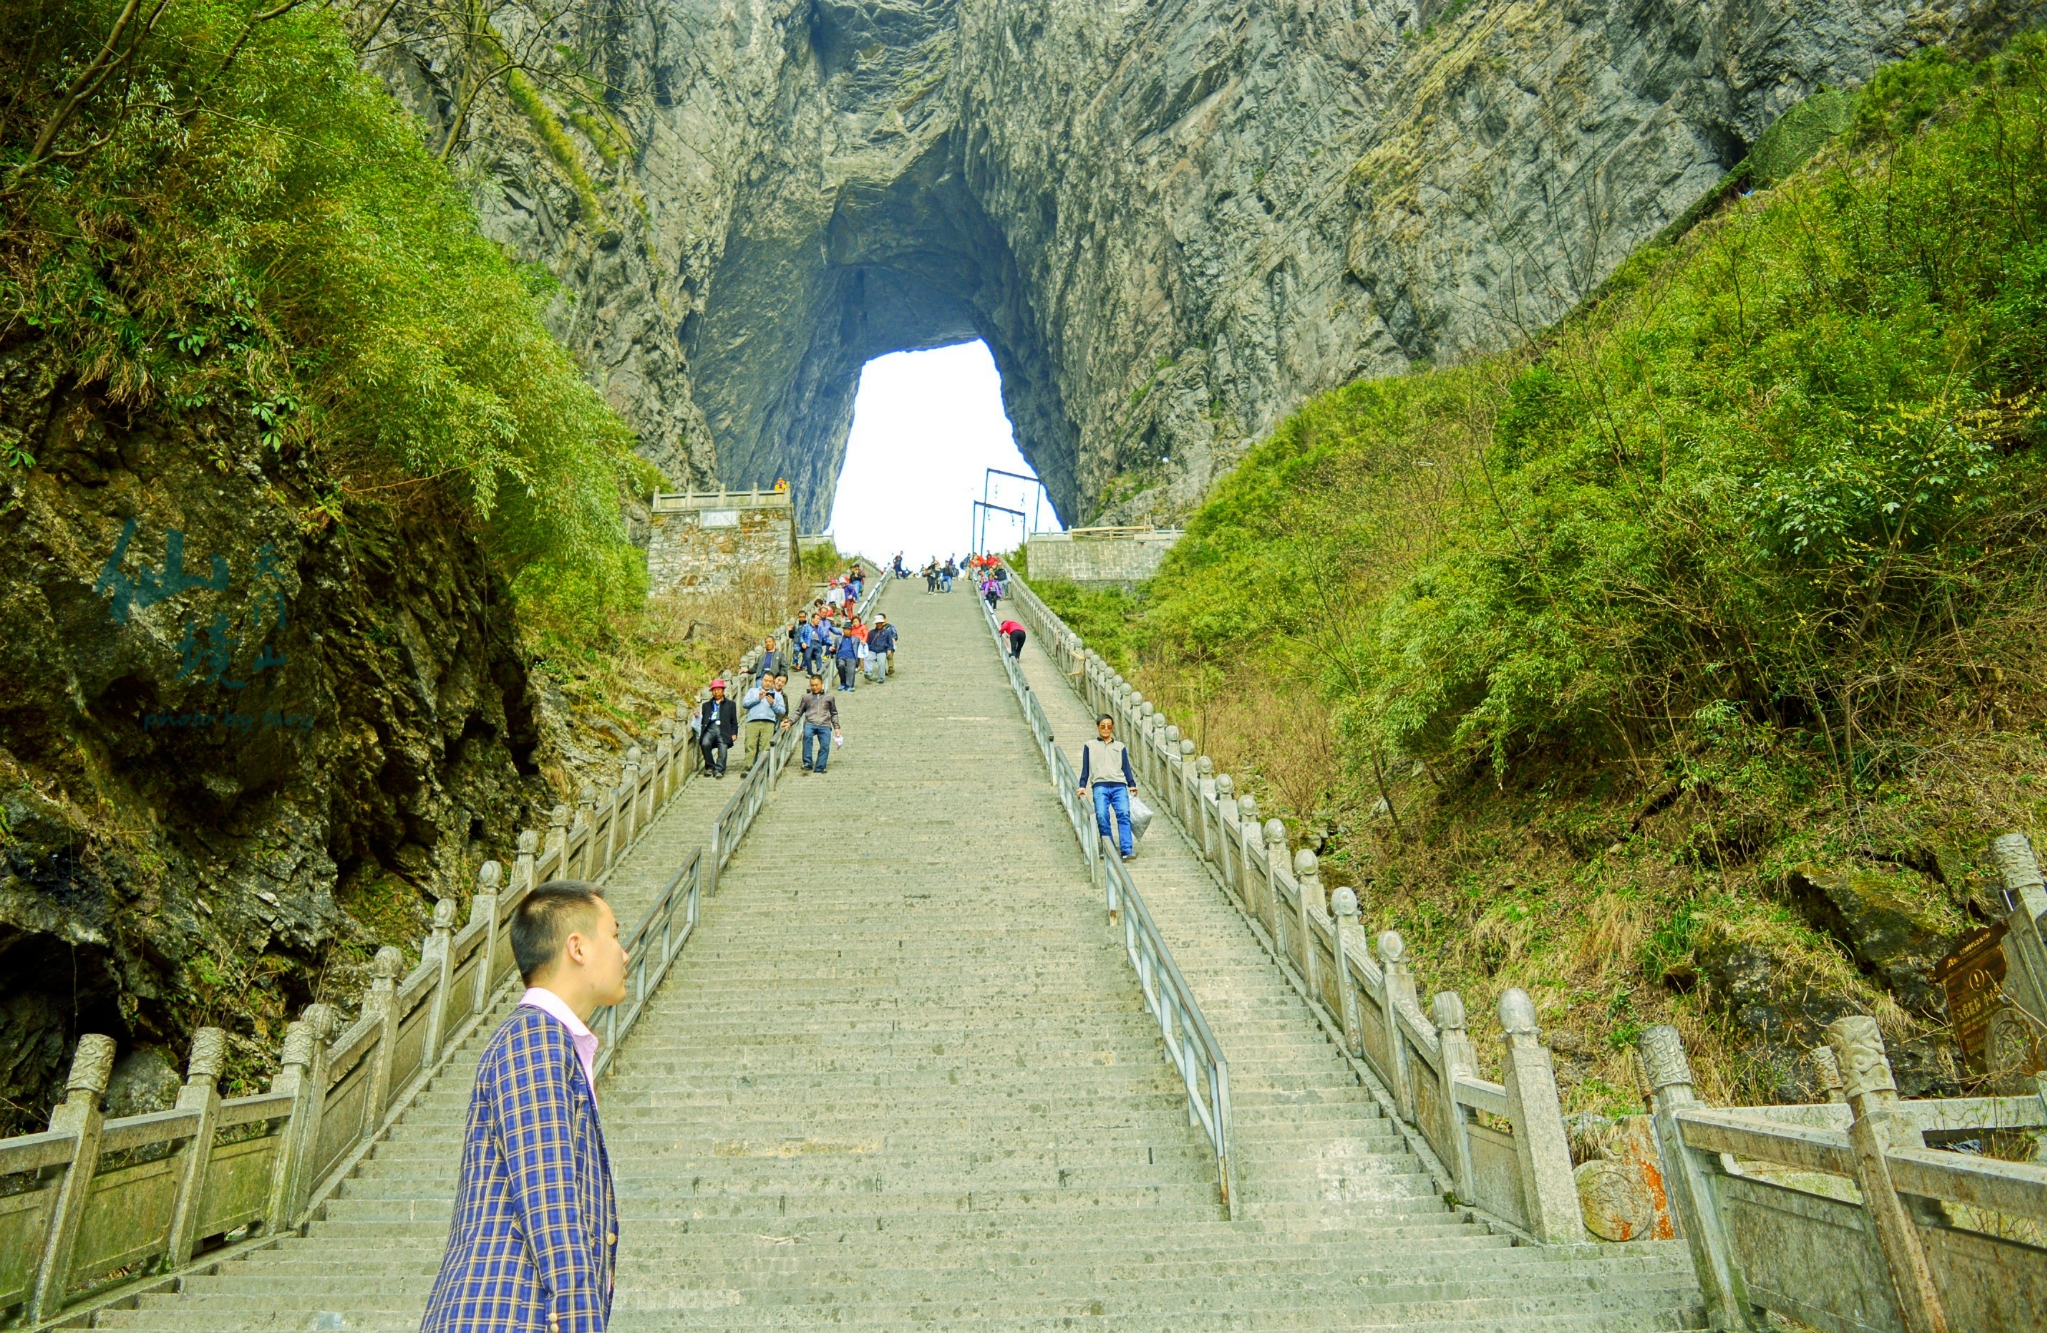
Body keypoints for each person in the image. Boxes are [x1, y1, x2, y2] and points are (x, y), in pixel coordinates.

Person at [419, 880, 625, 1333]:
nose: (624, 953)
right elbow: (548, 1193)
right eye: (614, 935)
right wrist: (579, 1320)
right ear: (577, 947)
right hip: (505, 1313)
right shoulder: (535, 1038)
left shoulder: (546, 1040)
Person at [1077, 713, 1140, 861]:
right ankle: (1109, 848)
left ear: (1112, 728)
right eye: (1102, 726)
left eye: (1109, 726)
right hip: (1100, 786)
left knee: (1124, 814)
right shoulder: (1089, 746)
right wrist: (1082, 786)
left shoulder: (1120, 746)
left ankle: (1127, 849)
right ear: (1098, 727)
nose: (1106, 729)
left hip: (1119, 786)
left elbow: (1126, 767)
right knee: (1101, 815)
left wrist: (1132, 784)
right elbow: (1085, 768)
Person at [793, 674, 841, 773]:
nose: (814, 687)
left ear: (822, 684)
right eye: (812, 685)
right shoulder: (806, 697)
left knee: (825, 745)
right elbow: (799, 712)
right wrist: (790, 722)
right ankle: (807, 762)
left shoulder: (829, 697)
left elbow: (834, 713)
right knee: (807, 736)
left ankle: (821, 766)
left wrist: (836, 727)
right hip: (810, 722)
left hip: (824, 724)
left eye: (816, 685)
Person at [740, 675, 785, 771]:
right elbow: (744, 704)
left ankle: (762, 770)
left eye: (770, 681)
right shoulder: (753, 691)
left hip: (769, 722)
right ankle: (748, 768)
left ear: (773, 682)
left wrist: (773, 704)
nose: (767, 683)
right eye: (765, 680)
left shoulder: (777, 695)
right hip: (753, 721)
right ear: (761, 680)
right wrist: (758, 698)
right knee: (750, 745)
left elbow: (782, 711)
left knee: (765, 747)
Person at [697, 681, 737, 777]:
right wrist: (697, 716)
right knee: (704, 743)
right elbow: (703, 720)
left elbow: (734, 720)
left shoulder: (730, 704)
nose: (716, 692)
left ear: (723, 691)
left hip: (723, 729)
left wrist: (734, 732)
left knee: (723, 748)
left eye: (718, 690)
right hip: (710, 727)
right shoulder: (706, 705)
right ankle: (710, 766)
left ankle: (719, 769)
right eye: (714, 690)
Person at [834, 619, 861, 691]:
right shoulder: (838, 639)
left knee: (851, 670)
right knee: (840, 666)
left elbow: (859, 648)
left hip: (851, 656)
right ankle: (843, 683)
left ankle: (849, 685)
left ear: (851, 630)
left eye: (848, 629)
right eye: (845, 629)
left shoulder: (856, 639)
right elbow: (835, 647)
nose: (846, 631)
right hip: (841, 656)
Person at [867, 614, 897, 682]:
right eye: (877, 623)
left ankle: (881, 678)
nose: (879, 625)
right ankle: (869, 673)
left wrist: (889, 649)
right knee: (869, 660)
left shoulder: (887, 632)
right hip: (872, 650)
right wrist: (868, 649)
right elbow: (868, 642)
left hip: (882, 650)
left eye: (880, 623)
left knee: (882, 663)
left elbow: (890, 642)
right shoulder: (871, 632)